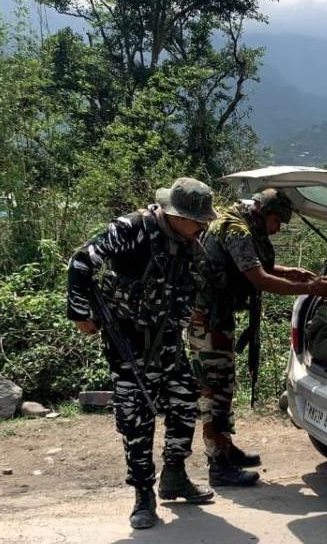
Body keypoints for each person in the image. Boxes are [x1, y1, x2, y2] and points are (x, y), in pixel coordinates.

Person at [66, 178, 218, 530]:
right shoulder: (131, 229)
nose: (203, 226)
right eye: (198, 220)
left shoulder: (188, 239)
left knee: (184, 401)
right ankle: (143, 494)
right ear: (175, 214)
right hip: (130, 340)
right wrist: (81, 315)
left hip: (166, 338)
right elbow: (80, 263)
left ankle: (175, 476)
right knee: (137, 417)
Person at [191, 188, 327, 486]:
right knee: (214, 392)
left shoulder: (237, 222)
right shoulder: (239, 231)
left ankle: (225, 449)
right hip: (207, 322)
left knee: (223, 387)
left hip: (214, 319)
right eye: (277, 222)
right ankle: (219, 466)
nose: (278, 229)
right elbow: (259, 279)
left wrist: (292, 273)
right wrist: (311, 288)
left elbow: (253, 267)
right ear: (266, 215)